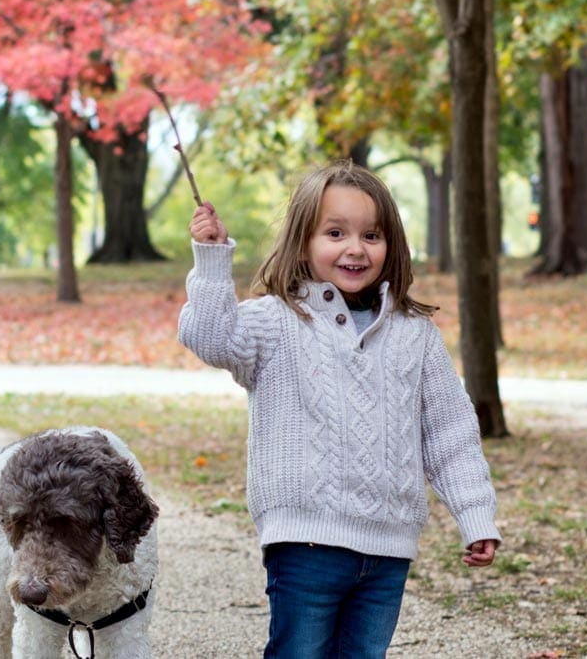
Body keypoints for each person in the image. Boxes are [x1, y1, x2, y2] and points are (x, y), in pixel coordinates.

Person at [178, 161, 500, 659]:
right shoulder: (277, 320)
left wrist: (476, 515)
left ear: (391, 243)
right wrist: (213, 259)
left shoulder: (414, 333)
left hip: (389, 548)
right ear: (302, 241)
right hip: (305, 541)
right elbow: (210, 336)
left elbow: (450, 433)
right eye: (335, 232)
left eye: (371, 235)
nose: (355, 248)